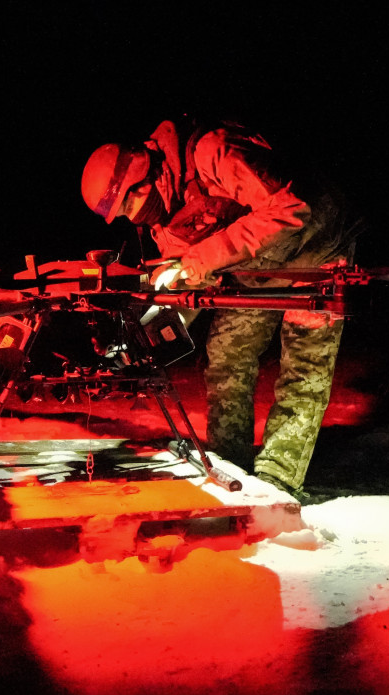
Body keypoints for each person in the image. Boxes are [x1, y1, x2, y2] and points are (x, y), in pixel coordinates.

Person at [80, 116, 359, 499]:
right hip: (257, 270)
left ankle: (278, 482)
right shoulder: (162, 218)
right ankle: (230, 465)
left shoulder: (215, 151)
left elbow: (292, 210)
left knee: (304, 370)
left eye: (130, 203)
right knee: (227, 354)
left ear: (147, 176)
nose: (133, 217)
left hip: (317, 253)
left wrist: (198, 261)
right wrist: (141, 341)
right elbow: (187, 280)